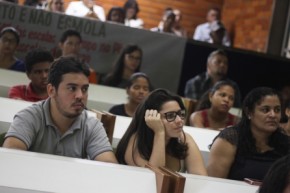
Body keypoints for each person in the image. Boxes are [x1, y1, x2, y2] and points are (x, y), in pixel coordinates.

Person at [3, 57, 118, 164]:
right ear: (51, 90)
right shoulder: (29, 116)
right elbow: (10, 160)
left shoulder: (92, 126)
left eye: (84, 89)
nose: (80, 95)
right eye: (72, 88)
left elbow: (109, 168)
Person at [115, 88, 207, 175]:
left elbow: (201, 178)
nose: (179, 120)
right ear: (151, 118)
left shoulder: (184, 138)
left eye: (180, 114)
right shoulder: (136, 141)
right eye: (170, 116)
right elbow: (154, 179)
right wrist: (159, 133)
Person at [207, 87, 290, 181]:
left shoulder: (285, 143)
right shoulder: (230, 139)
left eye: (277, 110)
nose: (273, 115)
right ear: (249, 112)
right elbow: (213, 183)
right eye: (265, 110)